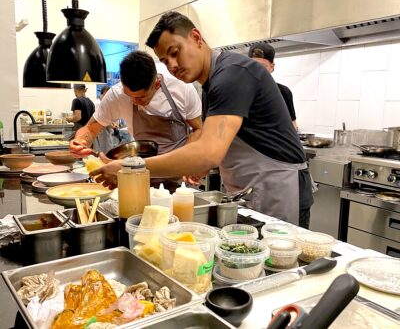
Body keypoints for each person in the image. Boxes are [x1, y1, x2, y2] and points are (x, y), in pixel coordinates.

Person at [92, 12, 313, 228]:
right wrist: (200, 164)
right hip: (252, 189)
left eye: (175, 52)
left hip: (279, 189)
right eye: (165, 61)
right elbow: (222, 142)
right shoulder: (212, 84)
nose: (172, 65)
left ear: (196, 38)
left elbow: (208, 152)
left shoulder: (232, 74)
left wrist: (132, 167)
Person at [69, 50, 202, 158]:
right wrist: (81, 141)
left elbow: (198, 129)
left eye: (141, 97)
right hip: (142, 169)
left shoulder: (181, 88)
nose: (134, 101)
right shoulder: (117, 93)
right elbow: (91, 129)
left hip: (179, 170)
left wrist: (190, 157)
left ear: (156, 84)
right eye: (129, 96)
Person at [248, 42, 298, 131]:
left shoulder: (283, 92)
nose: (256, 70)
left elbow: (292, 126)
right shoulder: (239, 91)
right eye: (253, 65)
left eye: (263, 66)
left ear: (272, 67)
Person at [93, 85, 115, 154]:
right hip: (102, 130)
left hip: (107, 129)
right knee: (105, 151)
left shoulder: (105, 102)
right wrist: (110, 125)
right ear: (103, 93)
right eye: (107, 93)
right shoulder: (98, 103)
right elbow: (100, 118)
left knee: (108, 149)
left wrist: (112, 123)